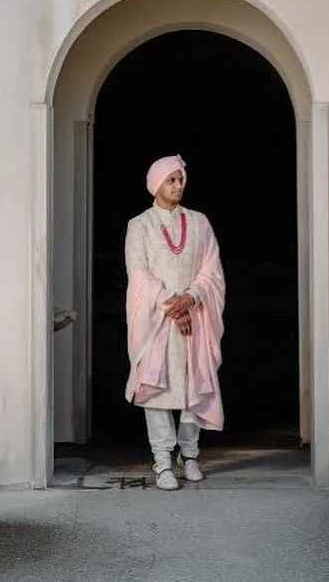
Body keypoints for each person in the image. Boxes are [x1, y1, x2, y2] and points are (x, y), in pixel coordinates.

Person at [124, 155, 225, 491]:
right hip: (157, 322)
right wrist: (173, 306)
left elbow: (211, 269)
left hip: (195, 318)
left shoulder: (199, 222)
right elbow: (139, 275)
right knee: (157, 390)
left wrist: (192, 298)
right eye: (171, 180)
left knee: (193, 385)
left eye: (181, 179)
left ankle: (191, 454)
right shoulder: (139, 226)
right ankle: (163, 462)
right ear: (156, 184)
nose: (178, 185)